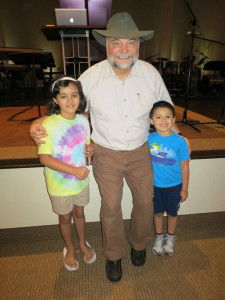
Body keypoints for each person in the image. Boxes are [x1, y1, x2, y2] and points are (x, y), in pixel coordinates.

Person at [30, 12, 181, 282]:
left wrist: (179, 141)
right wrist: (38, 122)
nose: (124, 50)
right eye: (117, 43)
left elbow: (165, 112)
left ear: (138, 45)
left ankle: (138, 244)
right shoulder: (90, 77)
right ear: (106, 45)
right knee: (111, 206)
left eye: (130, 43)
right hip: (106, 152)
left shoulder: (150, 74)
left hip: (140, 151)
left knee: (145, 202)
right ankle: (113, 255)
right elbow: (68, 106)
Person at [38, 76, 96, 271]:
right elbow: (44, 158)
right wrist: (73, 171)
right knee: (65, 218)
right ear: (55, 100)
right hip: (60, 184)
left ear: (80, 97)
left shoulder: (83, 120)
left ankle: (82, 243)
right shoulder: (48, 124)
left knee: (79, 214)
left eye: (74, 95)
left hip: (80, 182)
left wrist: (90, 150)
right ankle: (69, 247)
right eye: (63, 96)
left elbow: (87, 144)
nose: (70, 101)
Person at [148, 101, 190, 256]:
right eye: (158, 117)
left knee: (172, 213)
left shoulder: (180, 141)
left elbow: (185, 166)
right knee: (157, 213)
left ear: (173, 120)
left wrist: (184, 188)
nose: (163, 121)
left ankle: (170, 237)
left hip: (175, 186)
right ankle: (159, 237)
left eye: (167, 117)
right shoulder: (148, 140)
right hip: (155, 186)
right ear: (151, 121)